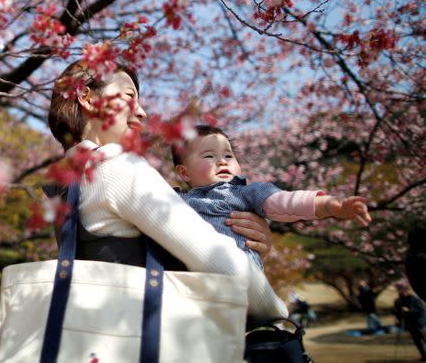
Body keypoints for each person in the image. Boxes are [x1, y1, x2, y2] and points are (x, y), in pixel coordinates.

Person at [47, 60, 287, 319]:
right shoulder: (115, 164)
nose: (142, 113)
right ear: (88, 98)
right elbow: (214, 258)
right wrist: (276, 311)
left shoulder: (65, 183)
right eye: (130, 97)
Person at [171, 124, 371, 268]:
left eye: (228, 155)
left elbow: (285, 202)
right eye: (209, 156)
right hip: (195, 272)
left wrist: (330, 206)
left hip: (239, 268)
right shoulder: (175, 200)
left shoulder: (244, 193)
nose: (222, 162)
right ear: (184, 173)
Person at [393, 281, 426, 361]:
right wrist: (398, 319)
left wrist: (409, 310)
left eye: (402, 290)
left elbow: (421, 310)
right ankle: (424, 356)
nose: (400, 291)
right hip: (410, 325)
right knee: (417, 342)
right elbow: (398, 312)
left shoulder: (415, 299)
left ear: (407, 290)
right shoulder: (399, 301)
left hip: (419, 323)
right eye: (399, 290)